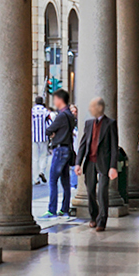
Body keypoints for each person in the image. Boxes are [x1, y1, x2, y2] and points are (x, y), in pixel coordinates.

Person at [74, 97, 119, 232]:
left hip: (104, 162)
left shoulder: (110, 124)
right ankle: (93, 216)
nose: (90, 109)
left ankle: (102, 221)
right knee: (90, 191)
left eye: (92, 106)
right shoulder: (88, 124)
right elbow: (83, 145)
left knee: (102, 192)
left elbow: (114, 147)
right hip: (90, 162)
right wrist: (78, 163)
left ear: (99, 108)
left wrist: (113, 167)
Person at [44, 89, 76, 217]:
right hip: (67, 149)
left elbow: (49, 130)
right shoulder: (69, 114)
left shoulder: (62, 115)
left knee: (52, 180)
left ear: (59, 100)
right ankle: (64, 208)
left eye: (55, 99)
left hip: (60, 150)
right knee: (65, 181)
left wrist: (53, 133)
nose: (54, 101)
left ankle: (52, 209)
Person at [31, 96, 51, 185]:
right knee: (43, 156)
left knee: (35, 158)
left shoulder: (31, 111)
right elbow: (50, 123)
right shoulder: (46, 111)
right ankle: (42, 171)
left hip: (34, 137)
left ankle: (36, 179)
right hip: (44, 137)